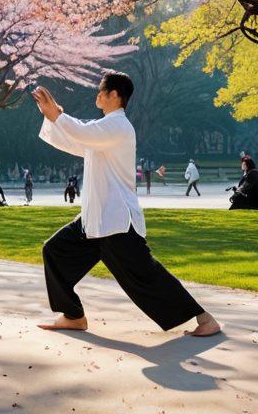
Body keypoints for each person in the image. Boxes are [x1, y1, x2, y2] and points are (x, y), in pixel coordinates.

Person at [31, 75, 220, 337]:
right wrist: (55, 117)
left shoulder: (118, 127)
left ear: (114, 95)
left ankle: (205, 318)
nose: (96, 95)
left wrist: (58, 116)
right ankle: (73, 315)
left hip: (116, 220)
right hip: (95, 220)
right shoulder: (105, 128)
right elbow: (76, 141)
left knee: (145, 276)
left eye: (101, 91)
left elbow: (83, 133)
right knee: (54, 251)